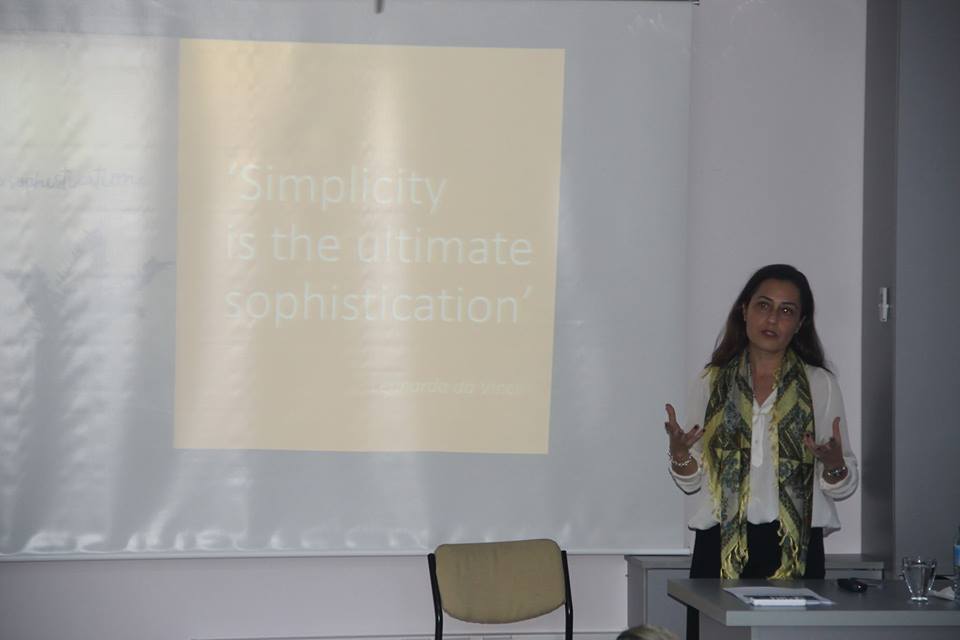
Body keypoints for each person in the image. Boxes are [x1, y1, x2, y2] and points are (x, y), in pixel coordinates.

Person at [663, 265, 858, 638]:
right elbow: (691, 480)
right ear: (744, 310)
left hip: (795, 546)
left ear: (800, 323)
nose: (772, 318)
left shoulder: (819, 384)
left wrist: (834, 465)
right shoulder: (711, 382)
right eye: (763, 305)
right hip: (718, 544)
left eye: (786, 310)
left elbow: (840, 482)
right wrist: (680, 453)